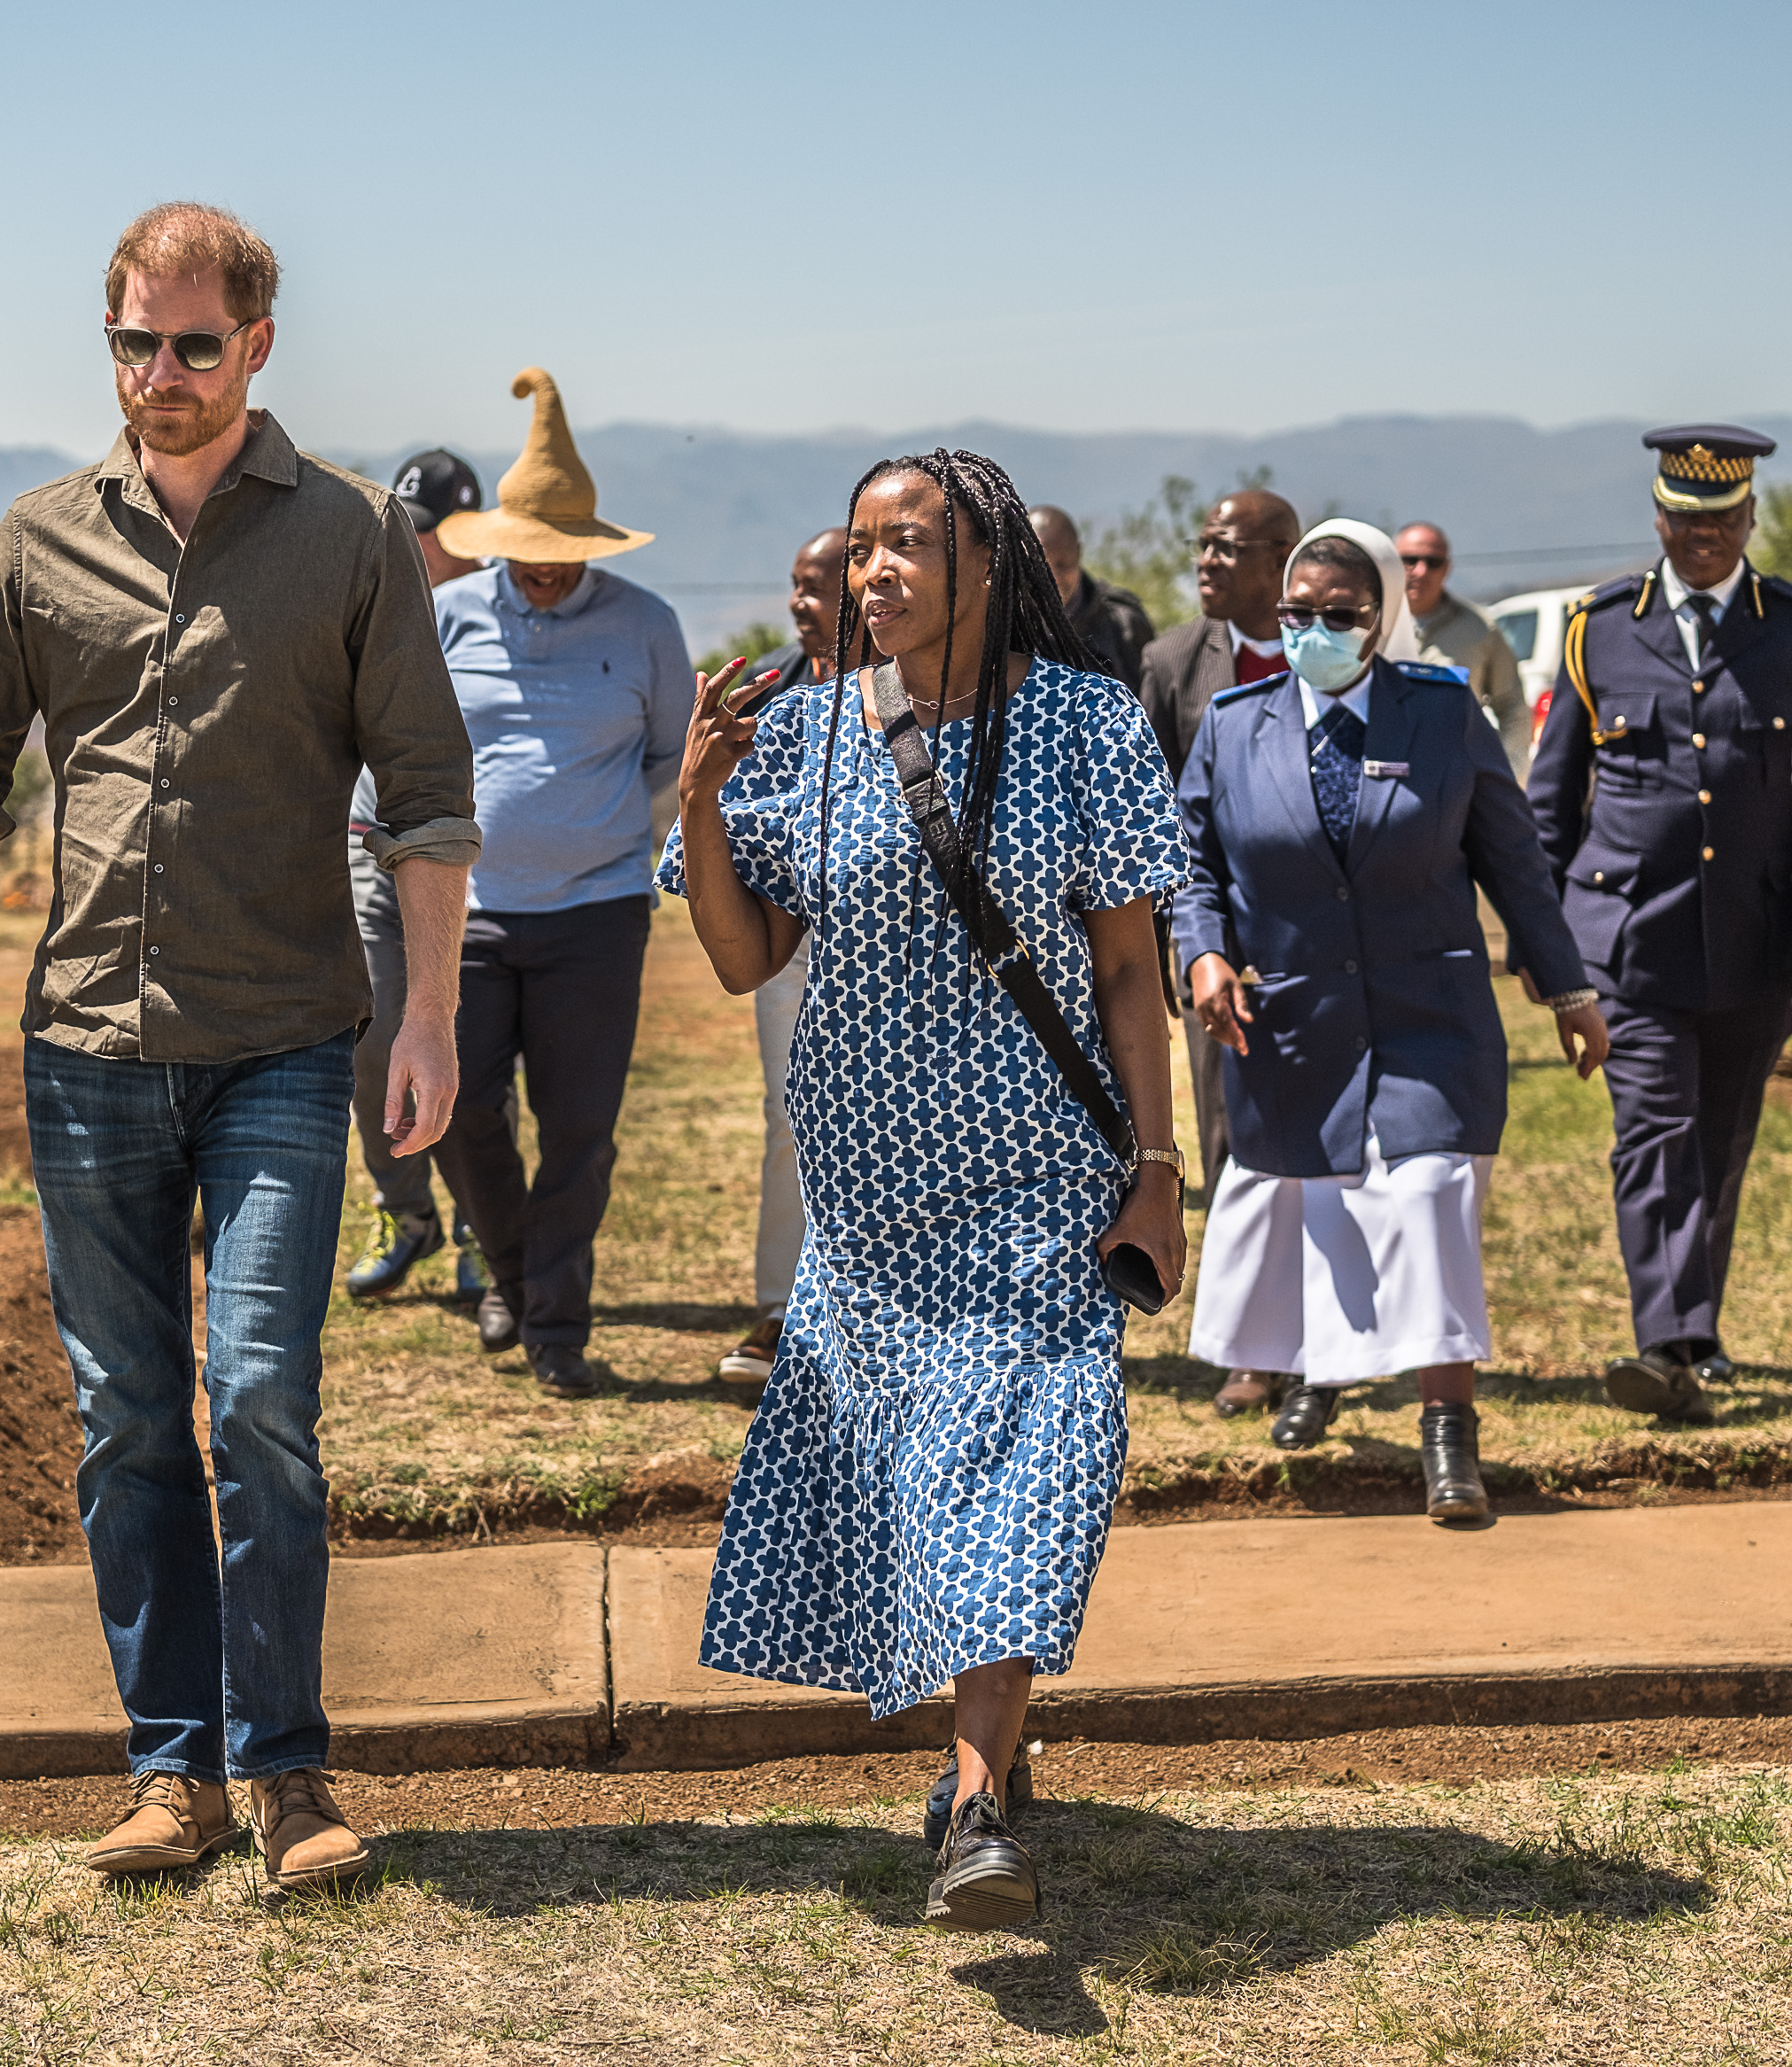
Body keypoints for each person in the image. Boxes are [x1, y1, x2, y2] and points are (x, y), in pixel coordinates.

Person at [0, 201, 476, 1884]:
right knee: (131, 1416)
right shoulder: (38, 538)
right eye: (136, 343)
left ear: (258, 345)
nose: (164, 375)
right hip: (89, 1047)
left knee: (261, 1392)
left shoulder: (346, 537)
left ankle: (289, 1774)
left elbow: (426, 795)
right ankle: (171, 1772)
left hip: (284, 1038)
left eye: (196, 345)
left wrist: (428, 1013)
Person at [663, 448, 1187, 1932]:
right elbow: (742, 952)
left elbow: (1133, 973)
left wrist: (1154, 1172)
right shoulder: (815, 733)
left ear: (986, 562)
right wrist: (700, 802)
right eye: (862, 548)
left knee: (1028, 1473)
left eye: (908, 546)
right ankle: (993, 1761)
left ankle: (969, 1802)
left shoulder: (1084, 723)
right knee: (924, 1495)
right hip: (874, 1209)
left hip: (1038, 1185)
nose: (874, 572)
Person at [1175, 519, 1607, 1517]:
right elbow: (1192, 866)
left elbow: (1512, 860)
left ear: (1384, 619)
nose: (1315, 632)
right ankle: (1318, 1373)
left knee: (1428, 1198)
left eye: (1340, 615)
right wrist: (1200, 955)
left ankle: (1447, 1433)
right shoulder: (1235, 724)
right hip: (1292, 1022)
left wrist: (1569, 990)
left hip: (1429, 1015)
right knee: (1325, 1215)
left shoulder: (1441, 714)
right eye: (1298, 615)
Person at [1520, 424, 1792, 1425]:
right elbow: (1550, 803)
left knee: (1718, 1144)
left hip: (1755, 942)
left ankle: (1695, 1332)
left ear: (1748, 518)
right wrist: (1549, 958)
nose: (1700, 537)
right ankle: (1662, 1342)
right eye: (1682, 518)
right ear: (1658, 519)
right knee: (1654, 1135)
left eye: (1719, 520)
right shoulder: (1599, 627)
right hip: (1626, 941)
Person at [428, 369, 699, 1401]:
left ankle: (557, 1322)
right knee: (460, 1111)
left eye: (562, 559)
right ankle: (508, 1274)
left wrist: (597, 836)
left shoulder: (644, 625)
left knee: (579, 1132)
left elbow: (668, 757)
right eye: (527, 560)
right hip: (470, 913)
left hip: (595, 915)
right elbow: (398, 751)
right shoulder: (446, 619)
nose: (543, 576)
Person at [1136, 489, 1302, 1297]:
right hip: (1215, 939)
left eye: (1228, 548)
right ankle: (1253, 1335)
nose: (1206, 561)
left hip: (1320, 935)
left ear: (1281, 559)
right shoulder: (1172, 663)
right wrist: (1179, 942)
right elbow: (1150, 809)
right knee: (1227, 1129)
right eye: (1204, 545)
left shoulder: (1327, 646)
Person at [344, 447, 490, 1304]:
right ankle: (406, 1215)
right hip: (370, 854)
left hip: (458, 871)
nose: (423, 548)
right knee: (370, 1044)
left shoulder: (495, 612)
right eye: (411, 531)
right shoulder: (367, 599)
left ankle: (478, 1227)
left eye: (434, 534)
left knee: (457, 1044)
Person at [717, 528, 849, 1388]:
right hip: (788, 950)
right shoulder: (770, 693)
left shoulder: (924, 700)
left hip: (896, 956)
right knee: (790, 1121)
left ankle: (862, 1313)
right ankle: (780, 1310)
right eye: (794, 587)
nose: (801, 605)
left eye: (818, 588)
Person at [1386, 523, 1534, 779]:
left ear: (1447, 568)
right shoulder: (1367, 624)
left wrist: (1509, 774)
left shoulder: (1480, 629)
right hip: (1385, 779)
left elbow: (1512, 707)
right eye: (1409, 560)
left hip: (1458, 783)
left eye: (1433, 562)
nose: (1420, 571)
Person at [1029, 503, 1156, 688]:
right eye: (1038, 566)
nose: (1052, 579)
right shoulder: (990, 626)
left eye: (1063, 564)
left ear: (1078, 553)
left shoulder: (1123, 624)